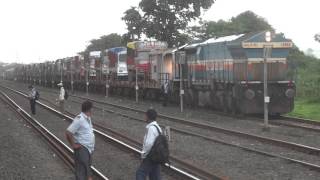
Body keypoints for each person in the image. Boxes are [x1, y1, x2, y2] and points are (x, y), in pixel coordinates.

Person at [65, 100, 95, 180]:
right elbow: (68, 132)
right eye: (92, 108)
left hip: (88, 149)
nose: (93, 110)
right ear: (89, 109)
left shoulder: (88, 118)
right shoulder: (80, 119)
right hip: (82, 149)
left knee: (87, 169)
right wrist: (73, 145)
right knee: (81, 172)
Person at [136, 108, 162, 180]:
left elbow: (149, 144)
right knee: (155, 177)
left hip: (150, 156)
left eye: (145, 116)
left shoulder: (151, 128)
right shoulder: (158, 127)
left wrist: (143, 155)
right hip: (157, 156)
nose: (144, 117)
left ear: (148, 117)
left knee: (140, 173)